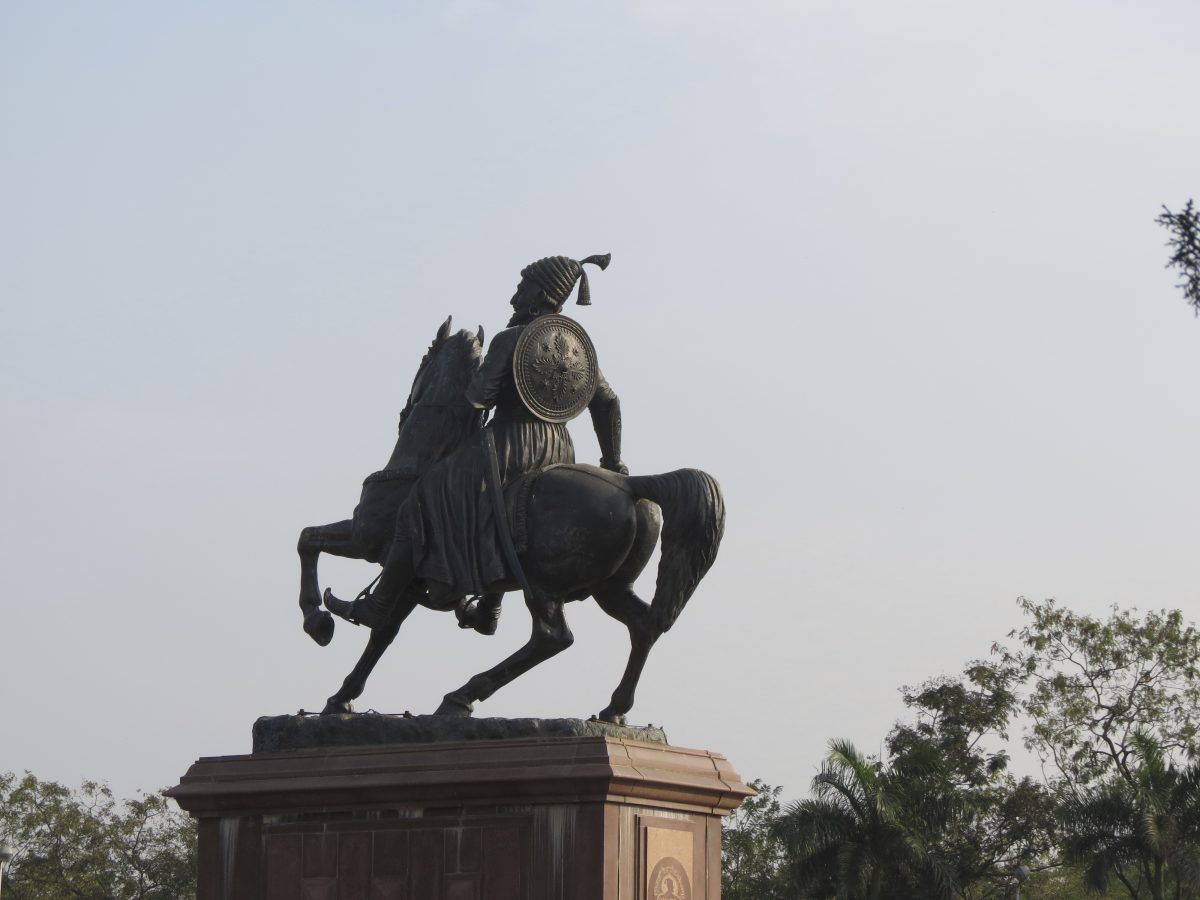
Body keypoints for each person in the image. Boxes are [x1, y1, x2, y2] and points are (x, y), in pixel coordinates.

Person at [327, 254, 626, 632]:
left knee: (424, 497)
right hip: (558, 451)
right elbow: (608, 402)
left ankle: (380, 602)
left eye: (523, 287)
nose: (515, 296)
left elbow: (479, 397)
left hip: (509, 444)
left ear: (540, 292)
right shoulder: (578, 347)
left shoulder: (512, 339)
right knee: (503, 509)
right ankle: (488, 609)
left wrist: (472, 385)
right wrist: (612, 463)